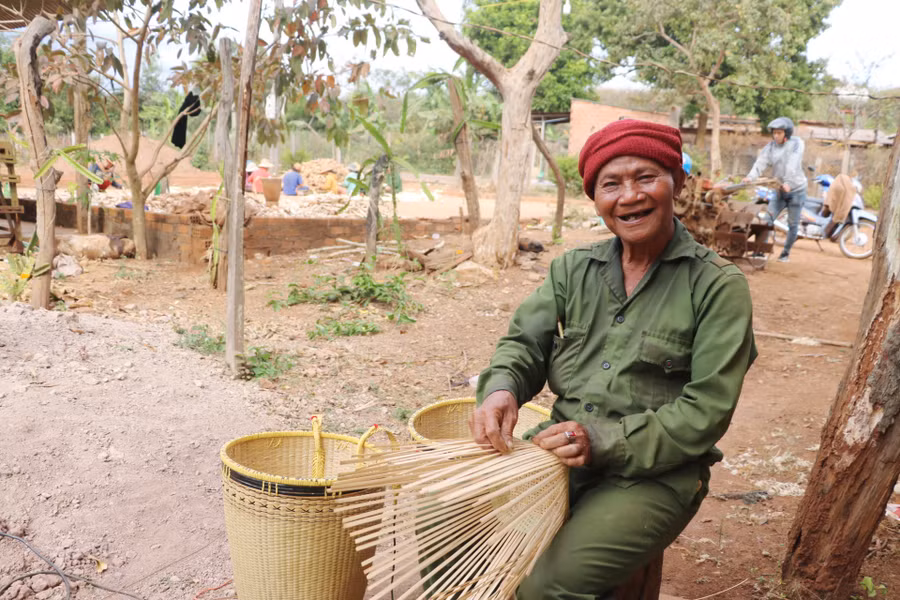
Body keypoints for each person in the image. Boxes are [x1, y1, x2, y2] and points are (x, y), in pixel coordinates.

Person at [470, 119, 757, 599]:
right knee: (457, 541)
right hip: (557, 456)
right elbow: (524, 343)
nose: (629, 196)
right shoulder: (573, 269)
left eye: (646, 177)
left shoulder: (717, 287)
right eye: (611, 184)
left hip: (656, 477)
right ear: (595, 198)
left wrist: (599, 440)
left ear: (676, 183)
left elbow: (706, 411)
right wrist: (502, 387)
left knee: (543, 589)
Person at [743, 116, 807, 262]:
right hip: (779, 190)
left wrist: (789, 183)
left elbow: (793, 163)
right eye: (774, 133)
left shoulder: (797, 144)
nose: (776, 135)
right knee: (768, 219)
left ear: (787, 133)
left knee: (793, 223)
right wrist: (750, 177)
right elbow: (761, 162)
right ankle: (760, 251)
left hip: (797, 190)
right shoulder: (770, 147)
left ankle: (785, 253)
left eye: (779, 132)